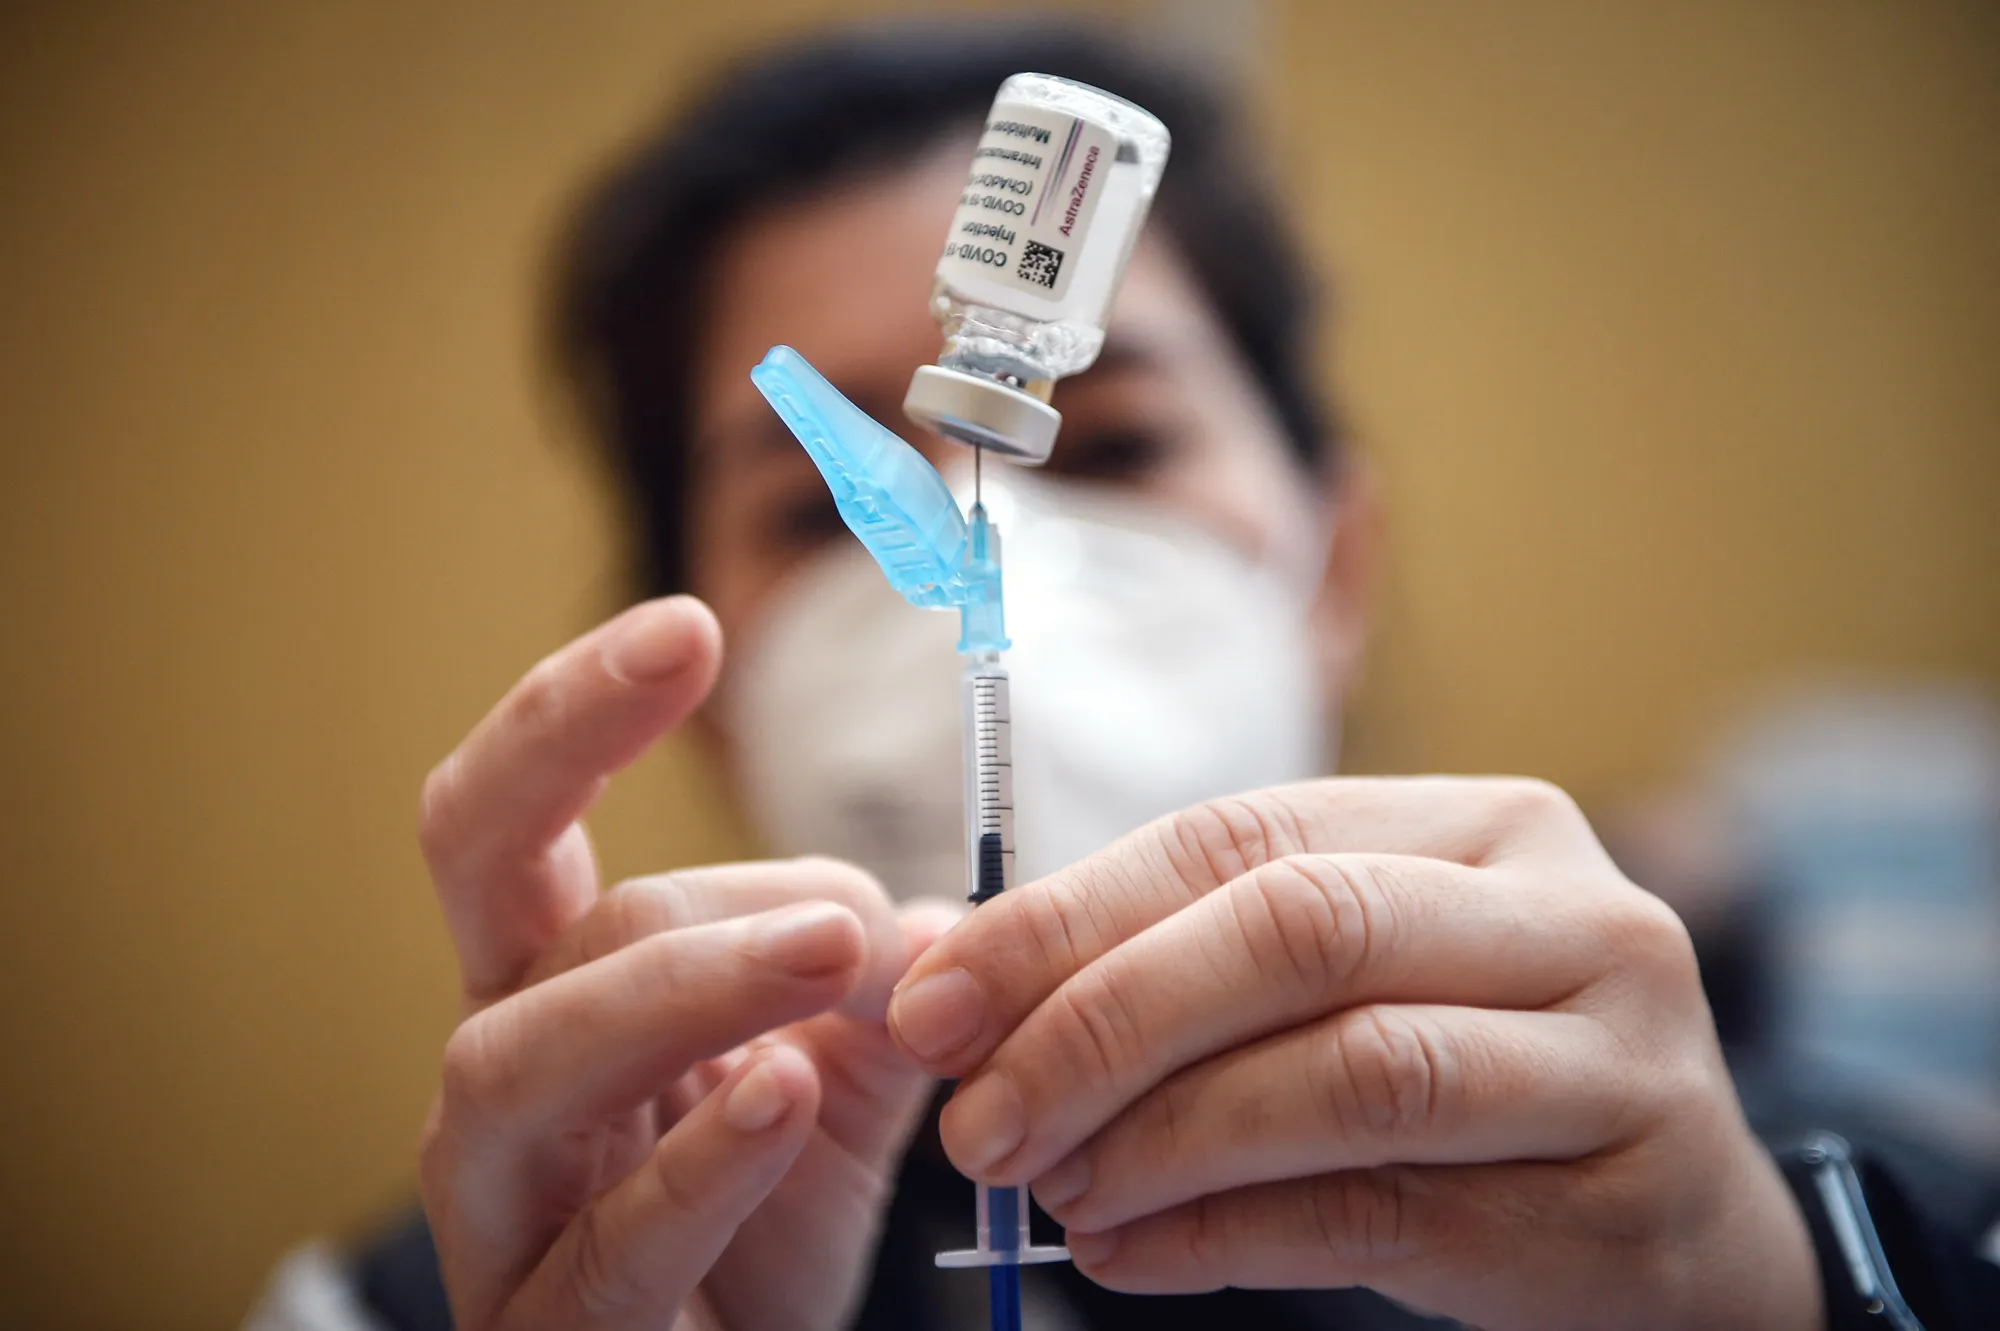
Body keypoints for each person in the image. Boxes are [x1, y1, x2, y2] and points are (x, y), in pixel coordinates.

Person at [248, 19, 1999, 1331]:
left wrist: (1771, 1289)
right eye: (821, 504)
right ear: (701, 690)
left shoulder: (1785, 1207)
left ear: (1337, 570)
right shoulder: (483, 1284)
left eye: (1124, 446)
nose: (979, 556)